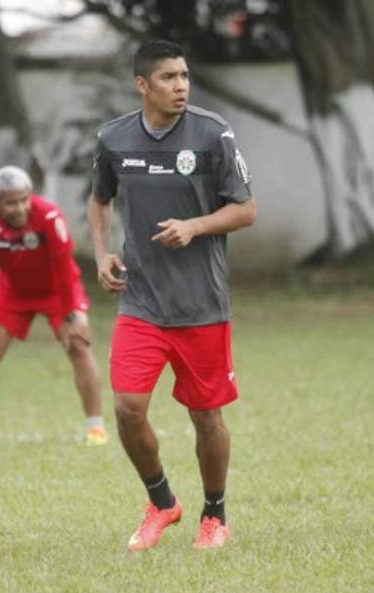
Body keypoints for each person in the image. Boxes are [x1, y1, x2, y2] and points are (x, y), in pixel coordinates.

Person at [88, 39, 257, 550]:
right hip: (140, 301)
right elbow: (99, 199)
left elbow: (246, 209)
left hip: (201, 305)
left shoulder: (212, 133)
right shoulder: (113, 138)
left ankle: (215, 514)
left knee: (206, 417)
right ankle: (162, 503)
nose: (181, 86)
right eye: (168, 77)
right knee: (127, 409)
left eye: (184, 75)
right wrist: (100, 255)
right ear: (142, 85)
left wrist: (196, 226)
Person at [0, 165, 107, 451]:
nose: (19, 208)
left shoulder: (48, 215)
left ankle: (96, 429)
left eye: (24, 199)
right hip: (12, 292)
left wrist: (72, 313)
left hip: (57, 289)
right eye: (11, 202)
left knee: (78, 344)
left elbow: (64, 267)